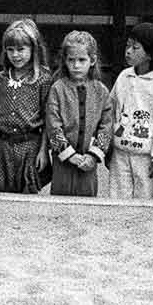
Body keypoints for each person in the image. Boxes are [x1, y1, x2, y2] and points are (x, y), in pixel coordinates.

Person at [108, 22, 153, 200]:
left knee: (143, 200)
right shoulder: (124, 76)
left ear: (151, 54)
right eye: (127, 45)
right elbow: (111, 109)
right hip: (120, 151)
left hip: (145, 155)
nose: (128, 51)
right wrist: (106, 144)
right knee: (117, 197)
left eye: (135, 47)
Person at [47, 30, 115, 197]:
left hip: (88, 162)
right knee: (60, 204)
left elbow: (106, 126)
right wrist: (69, 154)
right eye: (71, 60)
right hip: (63, 161)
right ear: (65, 60)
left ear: (92, 60)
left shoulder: (101, 91)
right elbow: (53, 124)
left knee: (87, 204)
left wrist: (94, 156)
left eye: (81, 60)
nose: (76, 65)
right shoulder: (58, 88)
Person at [0, 18, 51, 194]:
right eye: (10, 50)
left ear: (34, 48)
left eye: (21, 49)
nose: (16, 55)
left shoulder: (43, 79)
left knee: (28, 195)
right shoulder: (0, 78)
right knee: (1, 195)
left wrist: (43, 151)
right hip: (2, 146)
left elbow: (47, 119)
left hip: (29, 146)